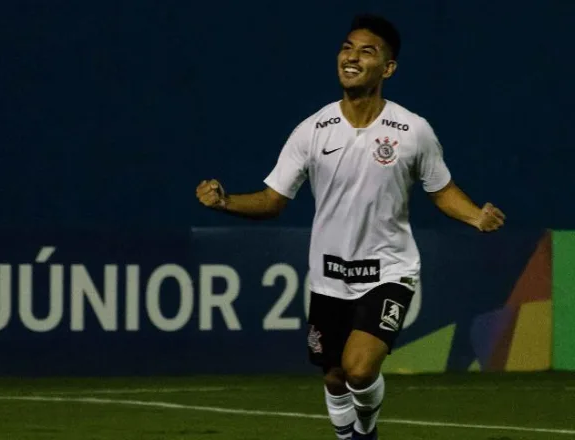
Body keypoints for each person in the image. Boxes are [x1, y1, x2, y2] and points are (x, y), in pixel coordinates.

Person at [196, 13, 505, 440]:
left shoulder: (413, 131)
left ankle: (366, 432)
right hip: (329, 279)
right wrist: (226, 201)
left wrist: (475, 215)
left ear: (388, 68)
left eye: (367, 51)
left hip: (388, 272)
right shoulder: (312, 130)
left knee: (360, 369)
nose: (352, 57)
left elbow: (441, 189)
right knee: (335, 378)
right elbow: (272, 201)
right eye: (346, 48)